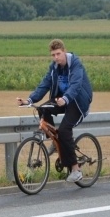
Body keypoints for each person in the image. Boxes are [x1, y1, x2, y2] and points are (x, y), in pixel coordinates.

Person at [16, 39, 93, 182]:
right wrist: (29, 100)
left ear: (64, 51)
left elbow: (76, 85)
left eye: (58, 54)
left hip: (77, 102)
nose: (56, 57)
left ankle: (76, 169)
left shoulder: (75, 64)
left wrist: (66, 98)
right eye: (53, 55)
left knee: (64, 130)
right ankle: (55, 140)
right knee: (43, 109)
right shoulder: (54, 68)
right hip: (62, 99)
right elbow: (44, 85)